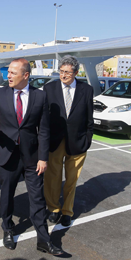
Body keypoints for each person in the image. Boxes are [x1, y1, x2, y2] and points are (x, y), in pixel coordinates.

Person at [0, 58, 63, 255]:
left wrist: (43, 158)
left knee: (37, 198)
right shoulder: (1, 93)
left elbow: (43, 130)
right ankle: (8, 228)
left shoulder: (40, 97)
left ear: (25, 75)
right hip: (7, 154)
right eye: (8, 72)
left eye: (12, 72)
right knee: (7, 194)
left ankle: (43, 240)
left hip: (32, 157)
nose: (8, 75)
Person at [43, 55, 94, 227]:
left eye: (67, 72)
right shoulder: (49, 89)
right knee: (53, 178)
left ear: (76, 73)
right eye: (61, 71)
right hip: (54, 141)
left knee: (72, 180)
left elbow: (89, 118)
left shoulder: (86, 90)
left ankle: (67, 211)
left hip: (77, 142)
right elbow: (44, 117)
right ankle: (53, 209)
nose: (63, 75)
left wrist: (88, 139)